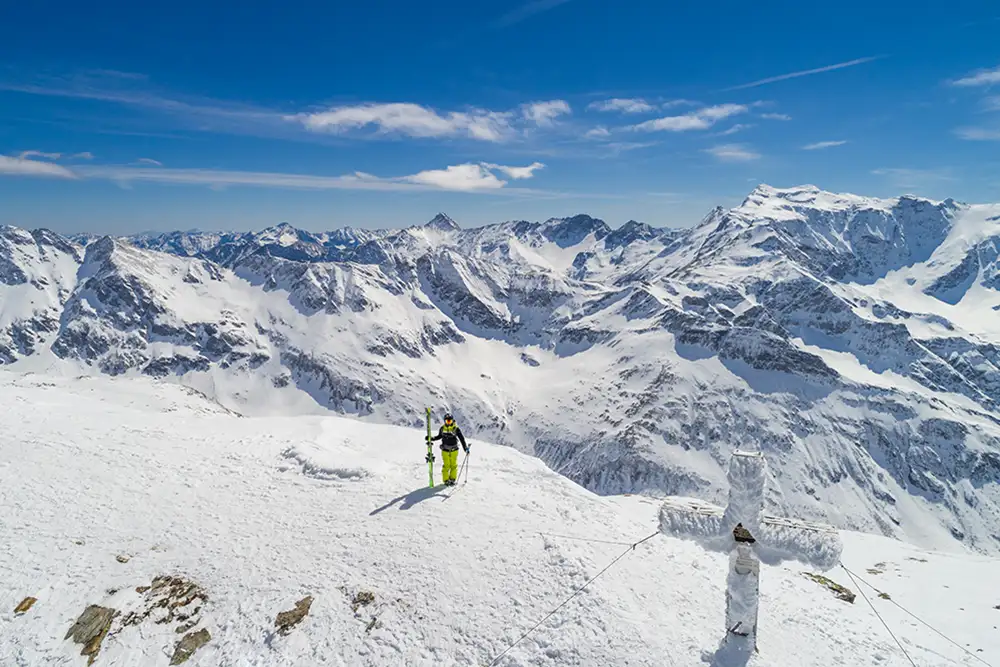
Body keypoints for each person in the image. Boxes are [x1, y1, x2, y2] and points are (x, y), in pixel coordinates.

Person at [428, 412, 468, 486]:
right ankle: (446, 480)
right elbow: (439, 436)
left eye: (450, 421)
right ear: (444, 421)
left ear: (453, 421)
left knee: (453, 465)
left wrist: (465, 448)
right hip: (445, 450)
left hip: (454, 450)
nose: (448, 422)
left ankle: (452, 479)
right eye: (447, 421)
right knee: (446, 465)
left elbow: (461, 439)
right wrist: (432, 438)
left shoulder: (456, 429)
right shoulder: (442, 429)